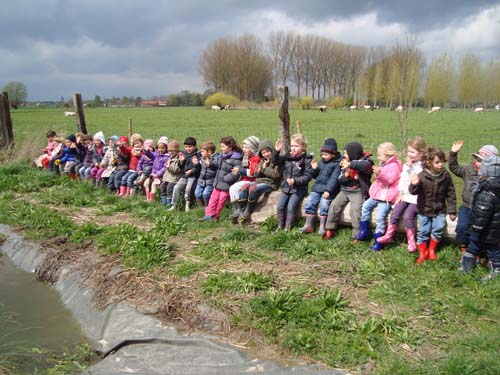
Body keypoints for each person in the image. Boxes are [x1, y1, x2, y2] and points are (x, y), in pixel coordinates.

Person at [376, 137, 426, 252]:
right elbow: (403, 180)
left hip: (416, 197)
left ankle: (411, 241)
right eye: (409, 151)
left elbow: (416, 180)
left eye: (413, 152)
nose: (410, 154)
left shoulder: (422, 166)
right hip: (405, 195)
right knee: (395, 213)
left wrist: (410, 167)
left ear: (421, 153)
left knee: (408, 216)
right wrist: (400, 194)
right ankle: (389, 236)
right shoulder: (407, 164)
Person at [409, 147, 457, 263]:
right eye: (437, 162)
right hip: (424, 210)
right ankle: (422, 253)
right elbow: (413, 192)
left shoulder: (446, 176)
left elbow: (451, 193)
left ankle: (432, 250)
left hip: (439, 210)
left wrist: (452, 210)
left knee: (438, 228)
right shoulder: (422, 176)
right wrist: (414, 184)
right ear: (428, 163)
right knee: (423, 231)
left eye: (442, 162)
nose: (441, 165)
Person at [449, 142, 498, 254]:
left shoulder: (493, 178)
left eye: (481, 161)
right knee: (462, 228)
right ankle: (464, 250)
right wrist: (453, 154)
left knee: (481, 231)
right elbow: (454, 167)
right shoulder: (469, 170)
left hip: (485, 211)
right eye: (477, 159)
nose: (477, 162)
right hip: (467, 207)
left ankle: (479, 252)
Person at [460, 155, 500, 281]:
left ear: (487, 173)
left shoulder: (486, 193)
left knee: (492, 249)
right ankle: (467, 267)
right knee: (473, 246)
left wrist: (476, 228)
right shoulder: (494, 188)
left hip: (486, 229)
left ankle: (497, 270)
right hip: (493, 227)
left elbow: (482, 213)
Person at [323, 141, 373, 240]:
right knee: (334, 205)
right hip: (345, 190)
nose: (344, 155)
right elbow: (340, 179)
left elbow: (364, 166)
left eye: (346, 153)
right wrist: (345, 176)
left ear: (353, 153)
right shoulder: (343, 162)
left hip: (358, 191)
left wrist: (350, 165)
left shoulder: (366, 161)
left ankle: (357, 235)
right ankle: (330, 229)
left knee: (355, 211)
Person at [357, 142, 402, 250]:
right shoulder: (383, 164)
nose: (378, 157)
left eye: (380, 155)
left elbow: (390, 181)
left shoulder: (394, 166)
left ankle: (379, 239)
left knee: (380, 216)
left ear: (388, 155)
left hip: (386, 197)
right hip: (378, 195)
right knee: (365, 206)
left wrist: (380, 174)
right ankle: (365, 230)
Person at [300, 138, 342, 235]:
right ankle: (308, 225)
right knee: (310, 201)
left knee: (324, 204)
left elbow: (334, 178)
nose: (323, 156)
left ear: (333, 154)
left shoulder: (337, 164)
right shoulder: (322, 162)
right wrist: (314, 169)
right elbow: (315, 176)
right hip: (317, 188)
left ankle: (323, 226)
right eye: (322, 154)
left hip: (329, 191)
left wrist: (328, 191)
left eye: (326, 155)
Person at [237, 139, 282, 225]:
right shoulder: (262, 160)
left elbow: (276, 175)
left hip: (271, 184)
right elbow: (257, 175)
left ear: (272, 150)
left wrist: (265, 169)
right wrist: (259, 170)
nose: (266, 154)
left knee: (253, 188)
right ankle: (242, 211)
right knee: (244, 187)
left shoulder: (277, 161)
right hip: (260, 181)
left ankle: (248, 210)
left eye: (268, 151)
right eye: (263, 153)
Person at [273, 133, 313, 231]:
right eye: (292, 146)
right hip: (286, 187)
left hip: (299, 188)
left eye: (296, 146)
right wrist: (276, 152)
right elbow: (275, 161)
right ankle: (280, 226)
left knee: (291, 206)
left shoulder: (306, 159)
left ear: (303, 146)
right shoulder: (288, 157)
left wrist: (295, 181)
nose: (293, 148)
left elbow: (308, 176)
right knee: (280, 206)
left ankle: (288, 227)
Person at [200, 136, 242, 222]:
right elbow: (217, 165)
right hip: (218, 183)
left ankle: (215, 216)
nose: (221, 148)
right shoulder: (222, 156)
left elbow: (236, 172)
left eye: (223, 146)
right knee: (213, 199)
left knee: (220, 201)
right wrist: (210, 164)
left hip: (226, 184)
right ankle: (208, 215)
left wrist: (226, 178)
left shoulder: (236, 158)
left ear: (230, 147)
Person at [228, 136, 260, 223]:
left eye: (247, 147)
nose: (244, 149)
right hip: (245, 179)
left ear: (253, 148)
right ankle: (236, 209)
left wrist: (240, 171)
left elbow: (253, 172)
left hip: (252, 180)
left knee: (234, 188)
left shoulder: (255, 158)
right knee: (233, 188)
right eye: (244, 147)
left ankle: (239, 210)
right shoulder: (247, 157)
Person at [169, 137, 201, 211]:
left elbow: (199, 167)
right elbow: (180, 167)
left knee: (188, 189)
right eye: (186, 147)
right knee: (176, 187)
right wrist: (181, 162)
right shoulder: (184, 154)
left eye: (190, 147)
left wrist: (192, 171)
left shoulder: (198, 155)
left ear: (195, 146)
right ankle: (174, 205)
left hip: (193, 176)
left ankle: (187, 205)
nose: (188, 148)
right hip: (184, 176)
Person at [143, 136, 169, 201]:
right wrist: (147, 151)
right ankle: (148, 198)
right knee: (146, 183)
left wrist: (157, 174)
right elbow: (150, 155)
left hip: (161, 177)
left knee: (153, 185)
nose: (160, 149)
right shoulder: (156, 154)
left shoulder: (167, 157)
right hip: (153, 175)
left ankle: (152, 200)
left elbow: (164, 168)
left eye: (163, 148)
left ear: (166, 148)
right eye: (159, 148)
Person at [194, 141, 219, 207]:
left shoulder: (216, 158)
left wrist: (210, 165)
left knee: (206, 194)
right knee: (197, 193)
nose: (200, 153)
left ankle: (207, 207)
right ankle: (200, 207)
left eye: (202, 151)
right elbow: (200, 168)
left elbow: (217, 167)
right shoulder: (202, 158)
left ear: (209, 152)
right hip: (201, 180)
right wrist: (196, 164)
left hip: (210, 181)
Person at [160, 140, 182, 206]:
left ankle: (169, 203)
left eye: (172, 151)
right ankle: (164, 202)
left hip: (174, 178)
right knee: (162, 186)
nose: (170, 152)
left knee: (169, 188)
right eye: (169, 151)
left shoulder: (178, 159)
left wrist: (168, 166)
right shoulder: (169, 157)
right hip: (167, 177)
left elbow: (176, 170)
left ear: (177, 151)